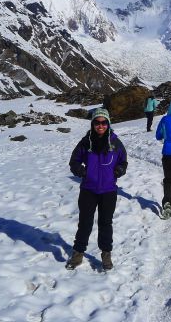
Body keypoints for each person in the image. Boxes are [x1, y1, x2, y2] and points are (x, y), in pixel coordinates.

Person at [66, 108, 128, 271]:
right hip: (88, 189)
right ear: (93, 124)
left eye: (104, 122)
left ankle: (106, 254)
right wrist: (82, 172)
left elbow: (123, 162)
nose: (100, 126)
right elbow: (74, 161)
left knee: (105, 223)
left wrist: (119, 171)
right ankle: (78, 252)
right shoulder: (85, 142)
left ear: (108, 124)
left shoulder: (115, 142)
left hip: (108, 190)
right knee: (85, 223)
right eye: (97, 122)